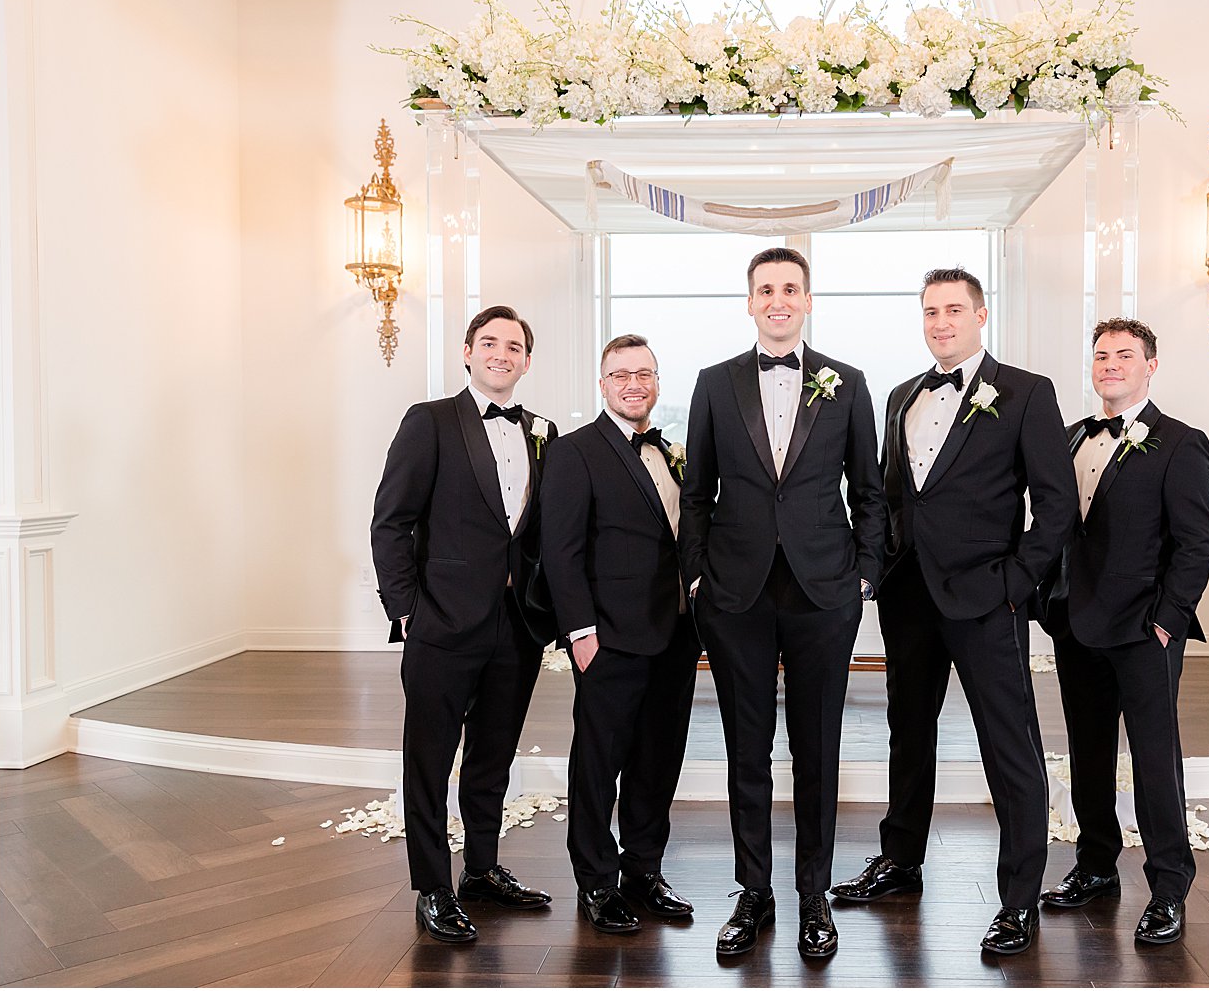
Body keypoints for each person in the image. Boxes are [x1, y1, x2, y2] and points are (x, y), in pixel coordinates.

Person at [830, 267, 1077, 956]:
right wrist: (871, 571)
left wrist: (1017, 580)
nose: (941, 322)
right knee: (907, 733)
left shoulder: (1026, 392)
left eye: (954, 310)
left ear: (981, 314)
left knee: (1011, 746)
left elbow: (1056, 502)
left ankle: (1018, 898)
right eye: (931, 311)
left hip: (986, 596)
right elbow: (889, 494)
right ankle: (900, 860)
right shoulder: (902, 394)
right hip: (910, 598)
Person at [679, 247, 885, 960]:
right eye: (765, 288)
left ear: (807, 299)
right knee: (746, 748)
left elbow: (870, 492)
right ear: (749, 301)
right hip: (735, 593)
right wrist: (698, 577)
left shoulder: (849, 384)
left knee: (817, 748)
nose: (778, 299)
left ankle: (814, 893)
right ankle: (754, 889)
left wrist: (864, 576)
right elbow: (695, 494)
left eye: (789, 288)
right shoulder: (712, 384)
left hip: (825, 590)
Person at [370, 305, 558, 942]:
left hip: (517, 625)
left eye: (515, 345)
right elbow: (390, 521)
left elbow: (542, 533)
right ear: (468, 353)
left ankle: (482, 869)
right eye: (490, 342)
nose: (502, 353)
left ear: (527, 360)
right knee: (428, 760)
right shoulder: (429, 422)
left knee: (492, 755)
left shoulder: (543, 431)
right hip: (442, 623)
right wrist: (406, 610)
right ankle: (431, 887)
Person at [1037, 318, 1209, 946]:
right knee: (1087, 755)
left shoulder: (1179, 442)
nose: (1110, 364)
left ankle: (1169, 886)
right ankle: (1095, 867)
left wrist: (1168, 620)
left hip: (1145, 630)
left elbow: (1197, 542)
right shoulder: (1068, 438)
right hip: (1076, 624)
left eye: (1124, 355)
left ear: (1151, 365)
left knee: (1154, 760)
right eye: (1101, 355)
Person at [539, 334, 700, 935]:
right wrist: (582, 634)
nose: (634, 384)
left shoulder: (670, 451)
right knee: (598, 764)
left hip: (676, 637)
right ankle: (596, 884)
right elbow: (560, 550)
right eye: (621, 375)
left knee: (659, 762)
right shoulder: (575, 452)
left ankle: (644, 872)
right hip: (608, 639)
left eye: (645, 374)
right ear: (601, 384)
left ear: (656, 382)